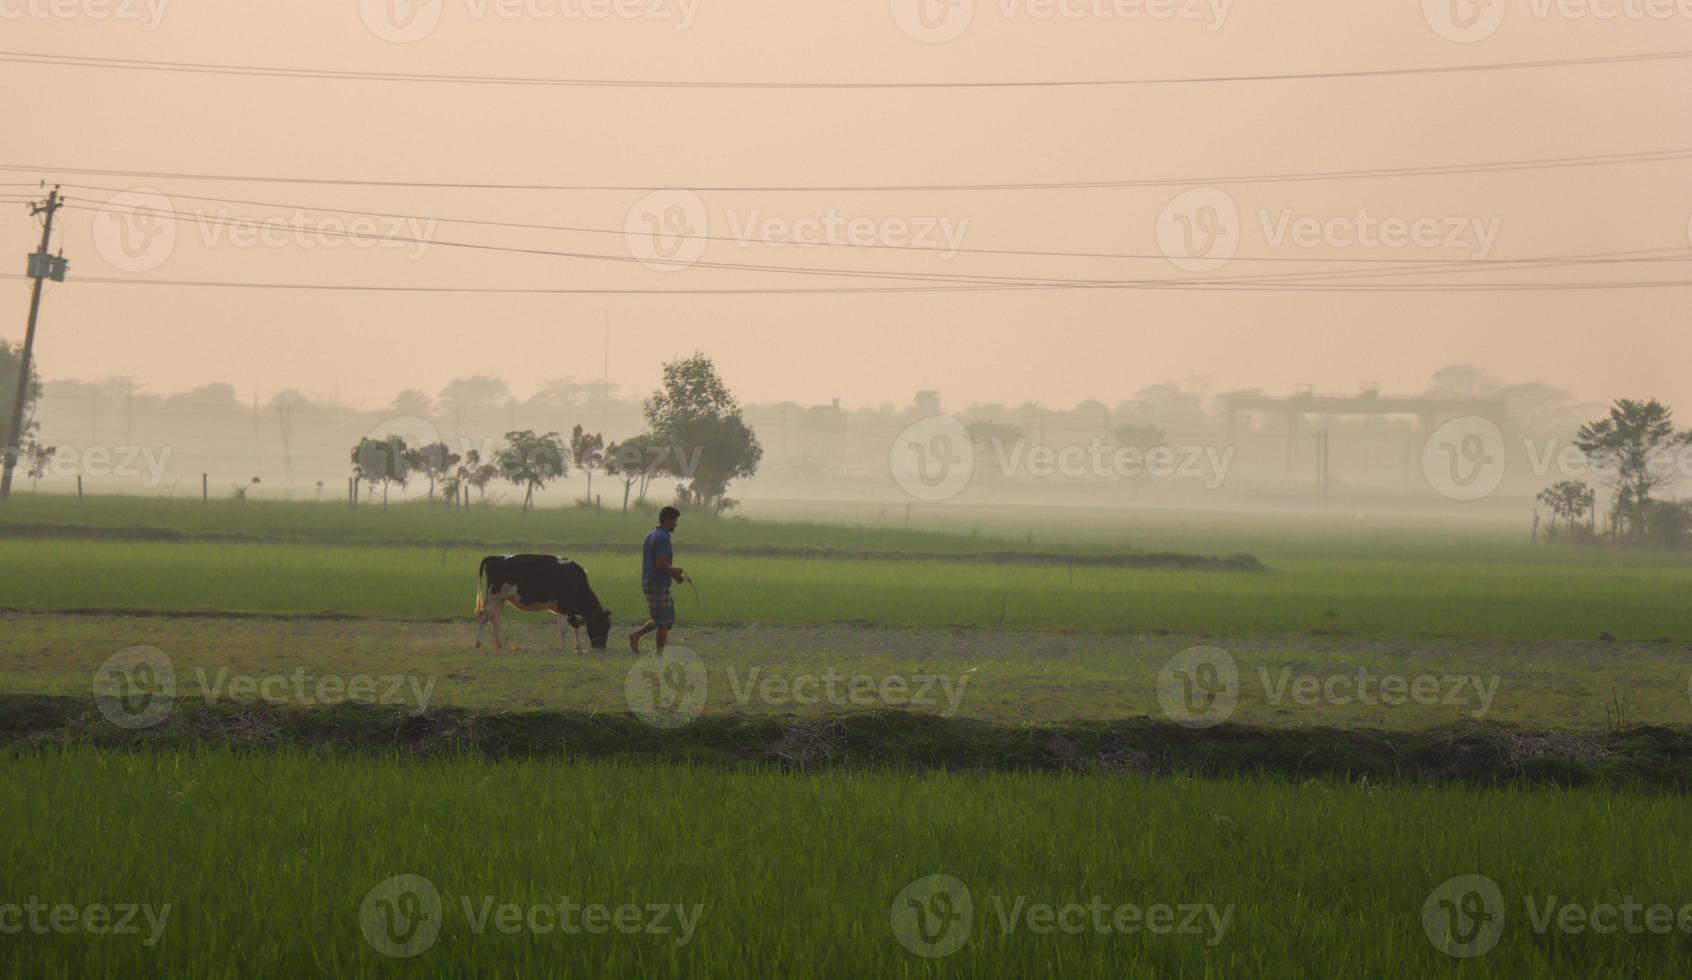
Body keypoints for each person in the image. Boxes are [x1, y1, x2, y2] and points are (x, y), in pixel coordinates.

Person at [629, 506, 684, 654]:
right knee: (663, 623)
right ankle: (660, 656)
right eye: (675, 521)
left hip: (651, 581)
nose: (676, 524)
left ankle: (636, 636)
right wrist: (675, 571)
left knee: (665, 617)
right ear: (667, 520)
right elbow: (660, 564)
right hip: (656, 583)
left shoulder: (651, 534)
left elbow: (658, 564)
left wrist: (675, 576)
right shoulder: (663, 537)